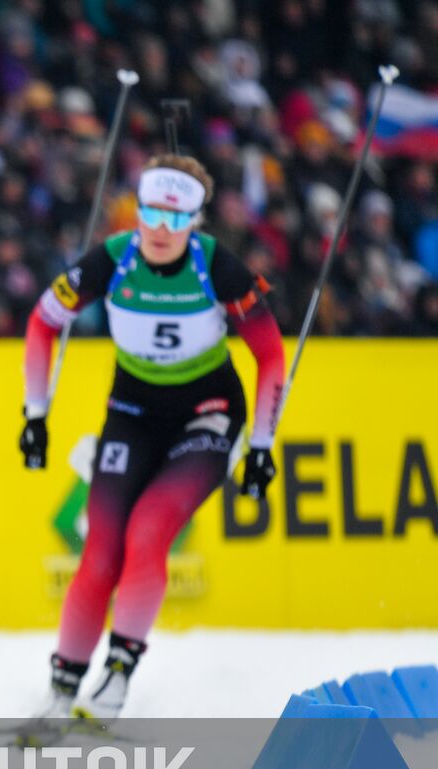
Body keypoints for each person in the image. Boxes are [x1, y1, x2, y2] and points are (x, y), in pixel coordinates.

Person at [19, 154, 285, 721]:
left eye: (176, 217)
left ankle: (117, 674)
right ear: (134, 212)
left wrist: (261, 444)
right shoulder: (113, 259)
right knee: (101, 550)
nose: (161, 230)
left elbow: (270, 355)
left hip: (207, 414)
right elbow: (43, 322)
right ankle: (62, 687)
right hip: (132, 412)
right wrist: (35, 413)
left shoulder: (218, 267)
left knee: (149, 530)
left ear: (195, 220)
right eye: (150, 214)